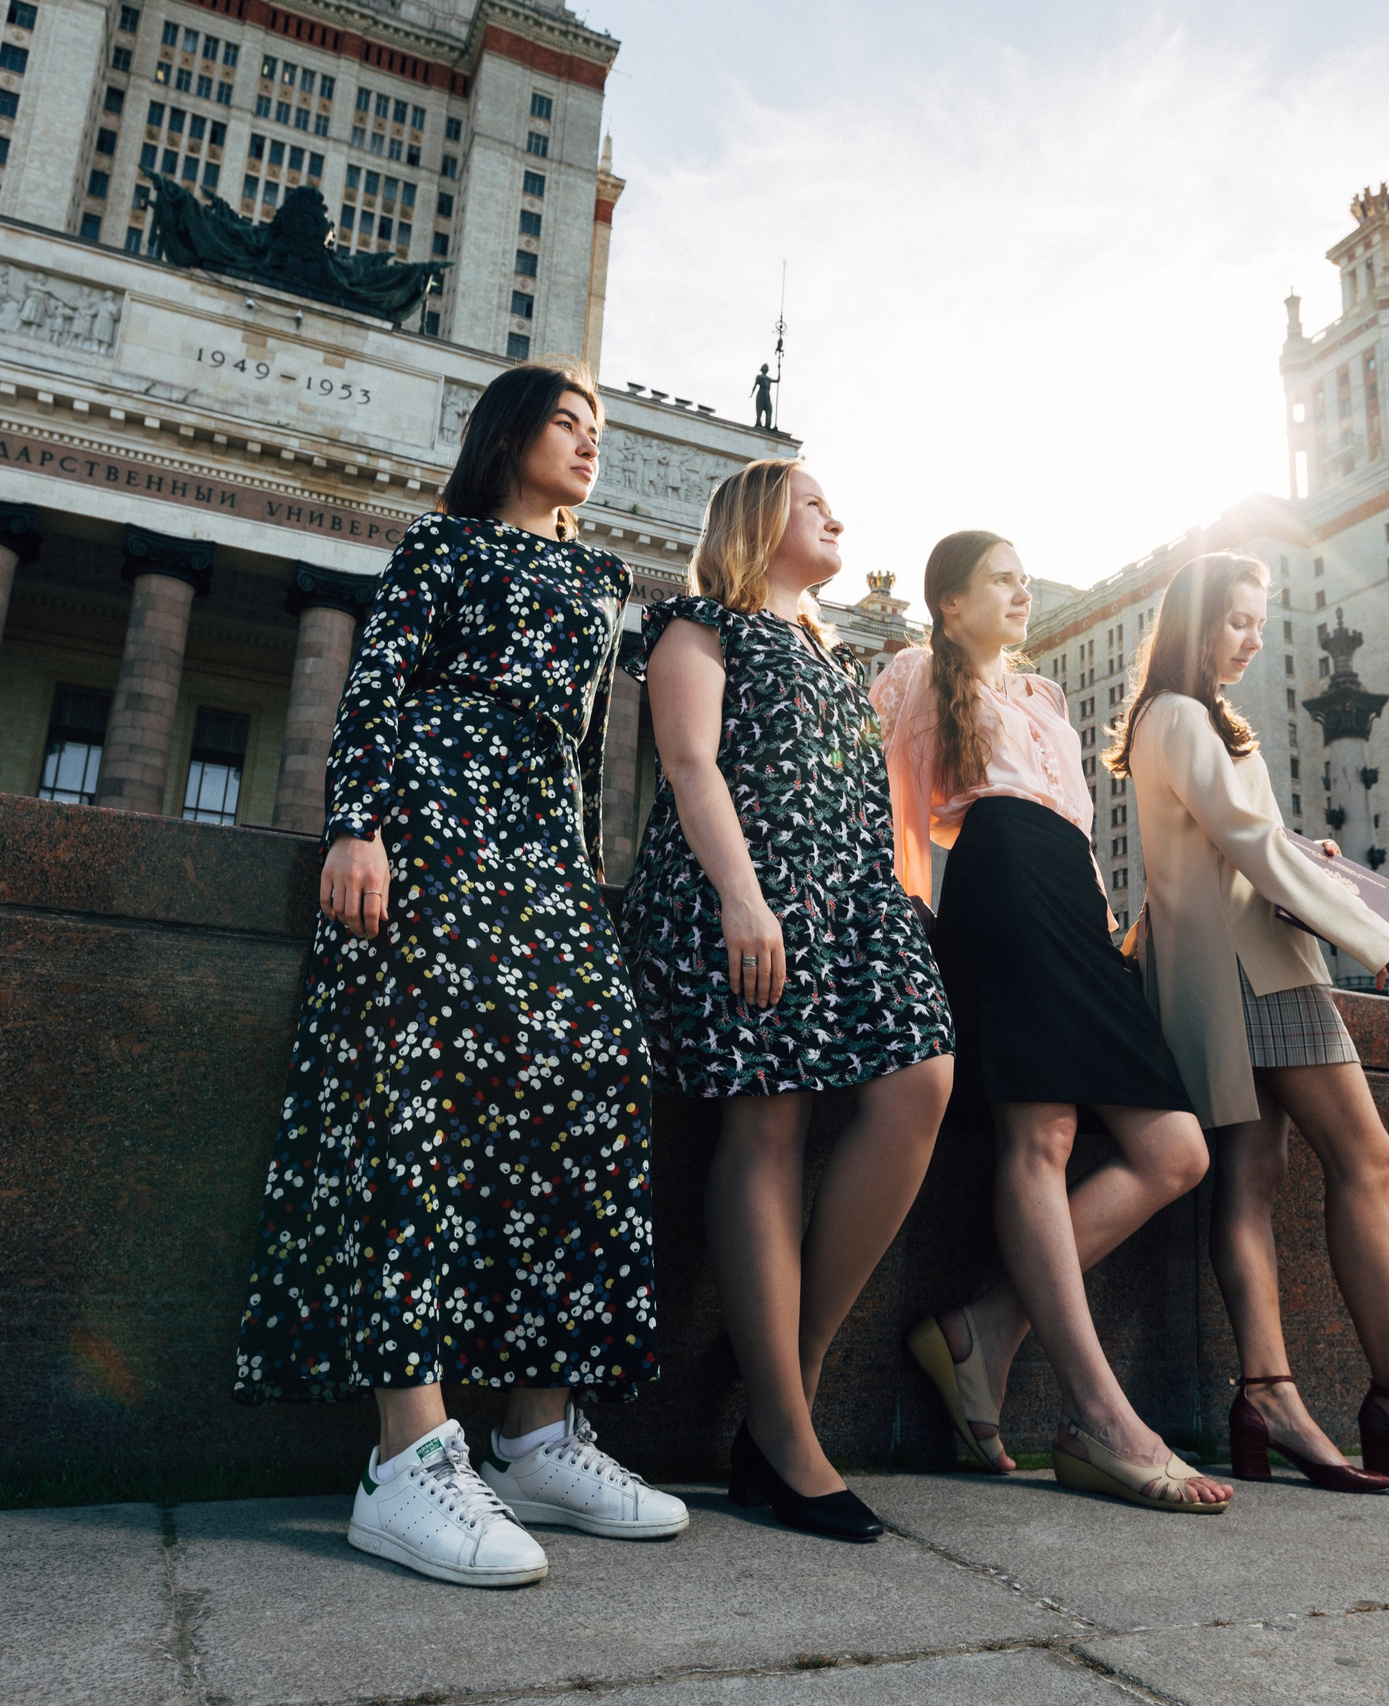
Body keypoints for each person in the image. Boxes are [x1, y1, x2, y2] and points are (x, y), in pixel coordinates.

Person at [233, 360, 689, 1589]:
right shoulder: (439, 546)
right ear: (507, 435)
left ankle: (537, 1432)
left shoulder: (603, 578)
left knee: (590, 1085)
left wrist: (589, 887)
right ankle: (405, 1456)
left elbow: (596, 748)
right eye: (565, 422)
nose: (588, 444)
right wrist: (358, 823)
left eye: (598, 428)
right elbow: (377, 685)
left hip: (542, 851)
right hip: (431, 821)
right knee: (413, 1099)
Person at [1110, 551, 1389, 1493]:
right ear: (1197, 622)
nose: (1254, 639)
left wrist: (1309, 853)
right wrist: (1368, 932)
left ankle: (1270, 1394)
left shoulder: (1192, 720)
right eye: (1239, 621)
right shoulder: (1177, 716)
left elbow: (1244, 842)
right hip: (1260, 973)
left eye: (1261, 622)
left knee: (1254, 1177)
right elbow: (1244, 843)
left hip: (1235, 970)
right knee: (1367, 1159)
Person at [619, 459, 953, 1543]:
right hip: (745, 894)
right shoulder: (697, 625)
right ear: (762, 521)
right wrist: (742, 899)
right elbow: (688, 762)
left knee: (922, 1082)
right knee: (765, 1122)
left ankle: (785, 1389)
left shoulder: (838, 652)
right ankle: (785, 1431)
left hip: (851, 899)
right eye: (814, 503)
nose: (837, 515)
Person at [874, 532, 1232, 1515]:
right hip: (998, 882)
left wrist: (1108, 921)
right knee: (1046, 1133)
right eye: (1001, 578)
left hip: (1072, 901)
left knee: (1175, 1150)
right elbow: (901, 814)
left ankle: (983, 1326)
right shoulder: (915, 672)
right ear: (949, 603)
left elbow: (1073, 819)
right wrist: (905, 927)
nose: (1022, 590)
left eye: (1026, 577)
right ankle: (1097, 1415)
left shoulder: (1047, 698)